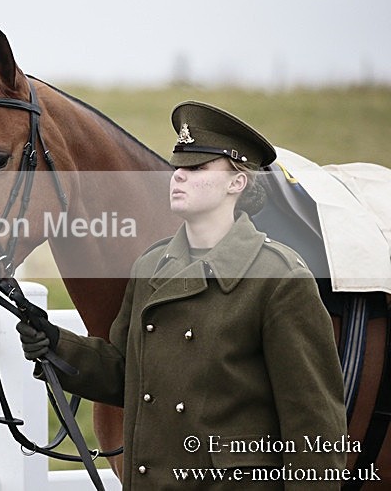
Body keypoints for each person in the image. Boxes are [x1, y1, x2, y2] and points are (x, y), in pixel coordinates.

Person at [18, 101, 348, 489]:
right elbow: (127, 374)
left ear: (237, 182)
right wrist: (56, 344)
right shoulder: (151, 266)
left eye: (196, 168)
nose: (178, 177)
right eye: (177, 167)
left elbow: (315, 428)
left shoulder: (279, 278)